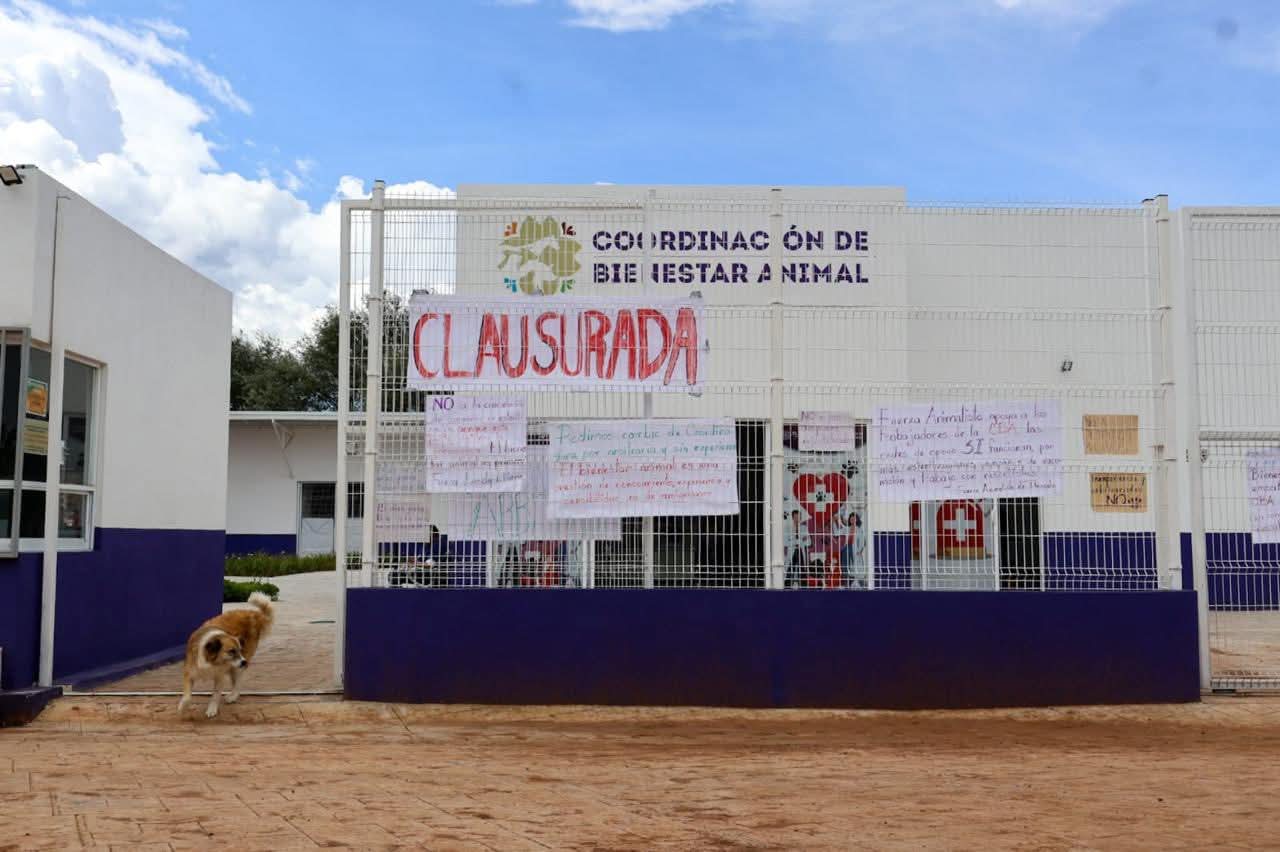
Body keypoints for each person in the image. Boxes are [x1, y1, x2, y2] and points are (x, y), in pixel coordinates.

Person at [784, 509, 811, 587]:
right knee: (790, 568)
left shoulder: (804, 528)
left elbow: (808, 542)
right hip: (792, 550)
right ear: (792, 517)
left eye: (799, 517)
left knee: (802, 568)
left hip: (800, 550)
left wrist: (794, 541)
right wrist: (799, 540)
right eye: (795, 517)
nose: (797, 519)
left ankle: (803, 585)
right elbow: (786, 542)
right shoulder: (788, 528)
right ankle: (788, 585)